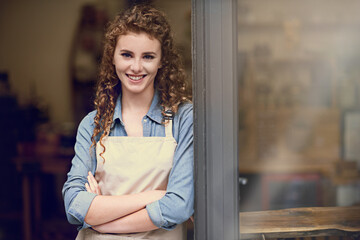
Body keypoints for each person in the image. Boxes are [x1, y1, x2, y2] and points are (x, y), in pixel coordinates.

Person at [62, 4, 193, 240]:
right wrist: (153, 196)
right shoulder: (92, 124)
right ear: (112, 56)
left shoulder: (183, 119)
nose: (136, 67)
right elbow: (75, 205)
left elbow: (178, 206)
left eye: (148, 56)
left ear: (162, 60)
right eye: (126, 55)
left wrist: (102, 218)